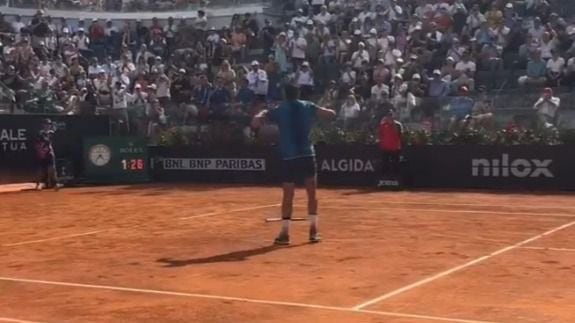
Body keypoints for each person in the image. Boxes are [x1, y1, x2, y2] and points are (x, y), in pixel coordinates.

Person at [251, 84, 336, 245]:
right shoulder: (308, 106)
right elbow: (330, 114)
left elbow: (257, 122)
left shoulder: (280, 109)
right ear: (297, 94)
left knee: (288, 195)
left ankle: (285, 233)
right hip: (307, 154)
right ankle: (313, 231)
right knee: (312, 194)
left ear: (284, 94)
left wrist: (261, 113)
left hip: (289, 156)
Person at [377, 109, 403, 188]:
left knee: (395, 164)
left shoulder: (398, 125)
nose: (389, 118)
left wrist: (393, 124)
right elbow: (380, 135)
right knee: (384, 164)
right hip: (385, 148)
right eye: (388, 116)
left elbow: (400, 135)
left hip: (395, 148)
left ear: (393, 117)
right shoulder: (383, 125)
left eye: (391, 116)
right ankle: (383, 180)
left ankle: (396, 181)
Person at [35, 119, 59, 190]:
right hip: (41, 153)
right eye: (46, 124)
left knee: (52, 169)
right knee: (42, 170)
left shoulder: (51, 133)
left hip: (49, 153)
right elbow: (37, 143)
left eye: (49, 124)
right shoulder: (40, 133)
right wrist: (40, 151)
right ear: (43, 125)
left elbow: (48, 140)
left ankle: (55, 184)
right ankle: (41, 184)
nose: (47, 126)